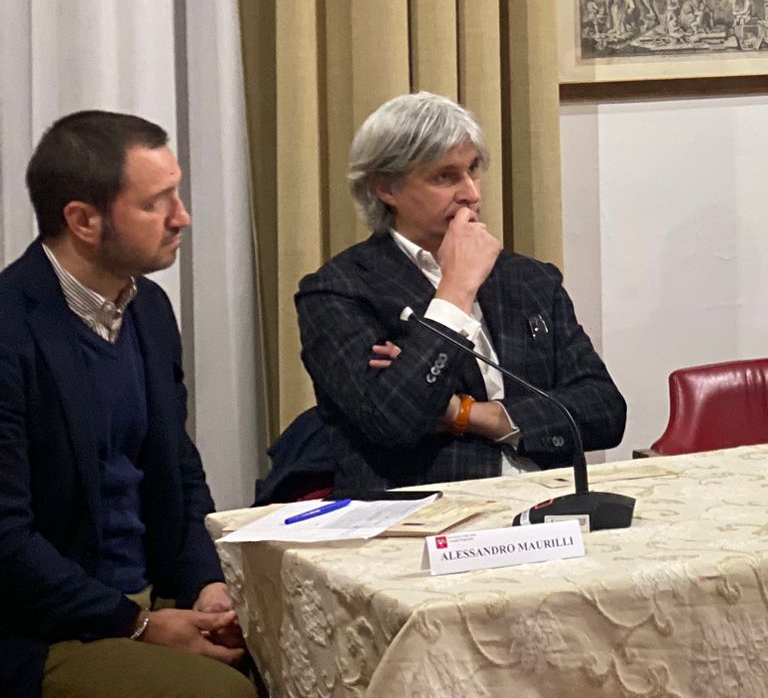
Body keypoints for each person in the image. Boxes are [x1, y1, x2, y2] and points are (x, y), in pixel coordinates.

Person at [0, 112, 253, 698]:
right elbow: (7, 539)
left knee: (293, 655)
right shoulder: (11, 328)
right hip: (42, 627)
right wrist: (137, 625)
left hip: (147, 601)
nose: (181, 216)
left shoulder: (149, 311)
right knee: (224, 694)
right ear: (83, 220)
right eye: (156, 203)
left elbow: (180, 473)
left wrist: (206, 586)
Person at [296, 93, 626, 495]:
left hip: (547, 500)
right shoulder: (339, 291)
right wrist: (456, 290)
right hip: (428, 513)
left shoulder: (529, 279)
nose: (471, 193)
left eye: (473, 170)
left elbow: (604, 411)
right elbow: (393, 420)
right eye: (445, 177)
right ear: (386, 188)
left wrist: (462, 412)